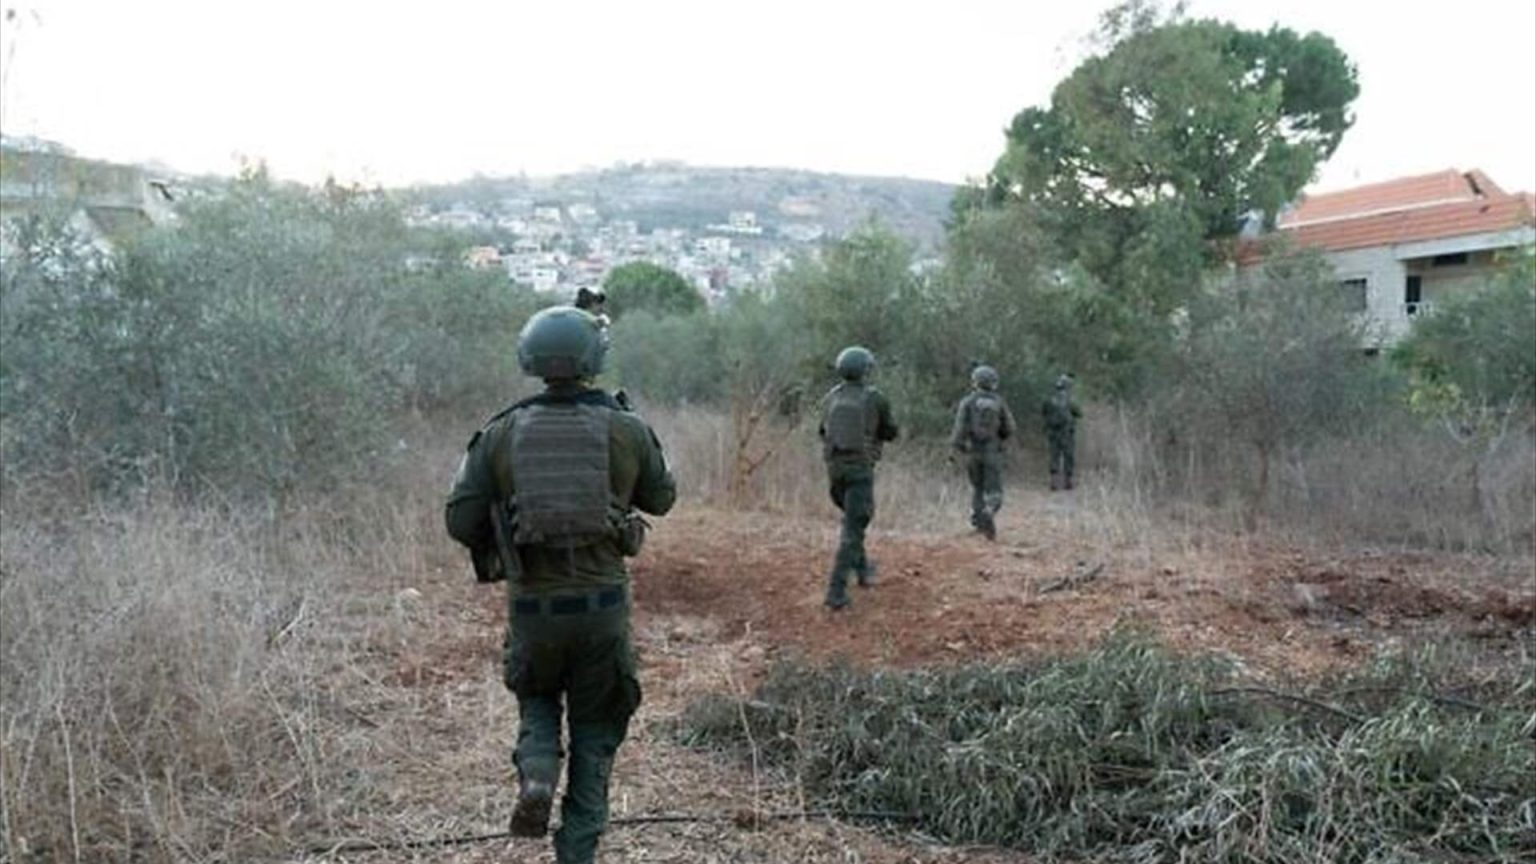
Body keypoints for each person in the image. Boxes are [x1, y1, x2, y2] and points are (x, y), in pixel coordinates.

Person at [445, 306, 676, 864]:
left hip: (533, 608)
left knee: (537, 698)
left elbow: (459, 520)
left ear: (531, 359)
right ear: (594, 359)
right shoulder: (625, 428)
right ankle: (576, 852)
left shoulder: (501, 432)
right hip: (603, 608)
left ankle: (539, 772)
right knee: (596, 729)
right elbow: (662, 499)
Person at [817, 345, 898, 610]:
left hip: (834, 471)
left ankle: (863, 570)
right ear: (865, 370)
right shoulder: (875, 398)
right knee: (853, 528)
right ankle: (836, 591)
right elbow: (890, 431)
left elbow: (822, 431)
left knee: (854, 521)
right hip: (859, 471)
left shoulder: (830, 397)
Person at [949, 364, 1016, 540]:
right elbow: (1010, 428)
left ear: (975, 382)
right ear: (993, 382)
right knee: (994, 490)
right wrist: (1001, 440)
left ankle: (979, 523)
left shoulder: (967, 402)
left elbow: (959, 429)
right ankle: (989, 511)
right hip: (992, 452)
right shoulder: (999, 402)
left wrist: (957, 448)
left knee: (977, 488)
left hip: (973, 452)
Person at [1041, 372, 1081, 490]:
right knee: (1068, 455)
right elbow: (1079, 413)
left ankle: (1054, 481)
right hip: (1067, 432)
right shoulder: (1070, 400)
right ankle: (1068, 481)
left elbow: (1044, 413)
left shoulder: (1049, 400)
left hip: (1053, 433)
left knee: (1054, 455)